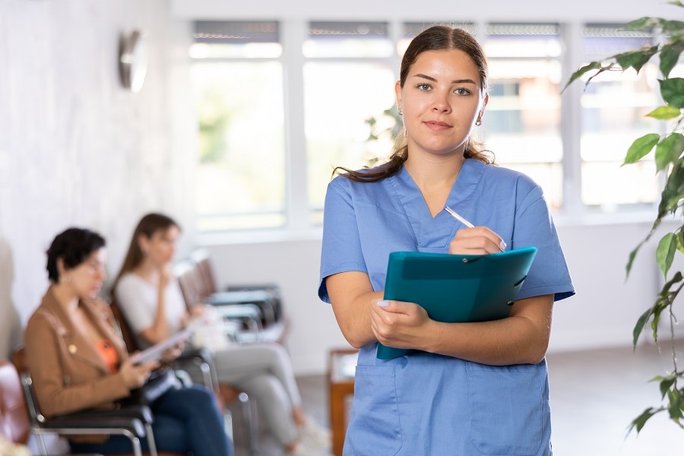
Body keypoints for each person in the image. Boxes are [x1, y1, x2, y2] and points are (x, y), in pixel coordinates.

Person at [318, 25, 575, 456]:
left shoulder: (519, 196)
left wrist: (428, 333)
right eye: (425, 86)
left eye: (461, 91)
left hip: (500, 433)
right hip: (395, 433)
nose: (440, 104)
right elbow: (356, 323)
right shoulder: (351, 196)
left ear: (482, 105)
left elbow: (531, 340)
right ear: (400, 94)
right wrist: (449, 266)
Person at [112, 213, 330, 456]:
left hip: (197, 347)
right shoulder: (129, 285)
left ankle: (294, 447)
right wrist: (163, 290)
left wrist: (191, 316)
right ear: (143, 242)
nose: (172, 249)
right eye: (165, 241)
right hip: (182, 363)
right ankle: (301, 422)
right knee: (274, 354)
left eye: (175, 241)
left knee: (264, 383)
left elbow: (177, 322)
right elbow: (158, 339)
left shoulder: (166, 275)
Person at [24, 227, 232, 455]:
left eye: (102, 266)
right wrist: (120, 382)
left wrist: (159, 357)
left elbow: (123, 363)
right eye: (93, 266)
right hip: (102, 424)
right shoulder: (43, 325)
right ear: (64, 266)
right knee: (188, 431)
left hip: (132, 401)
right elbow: (51, 401)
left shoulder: (95, 309)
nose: (101, 275)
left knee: (202, 399)